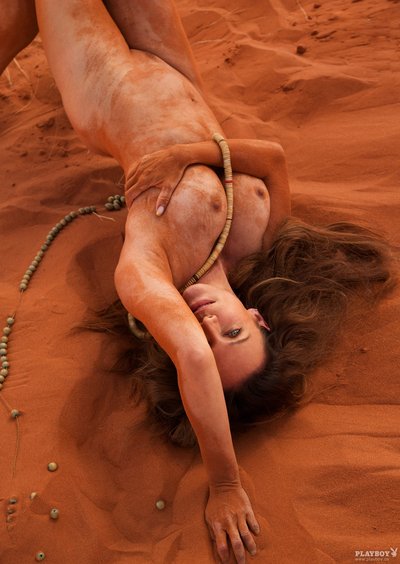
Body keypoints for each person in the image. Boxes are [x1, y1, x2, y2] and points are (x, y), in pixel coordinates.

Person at [1, 2, 394, 563]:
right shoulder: (264, 248)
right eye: (232, 334)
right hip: (176, 70)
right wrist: (189, 154)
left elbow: (190, 353)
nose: (207, 323)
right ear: (258, 319)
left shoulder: (147, 273)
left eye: (205, 343)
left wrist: (226, 484)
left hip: (104, 89)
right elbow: (274, 161)